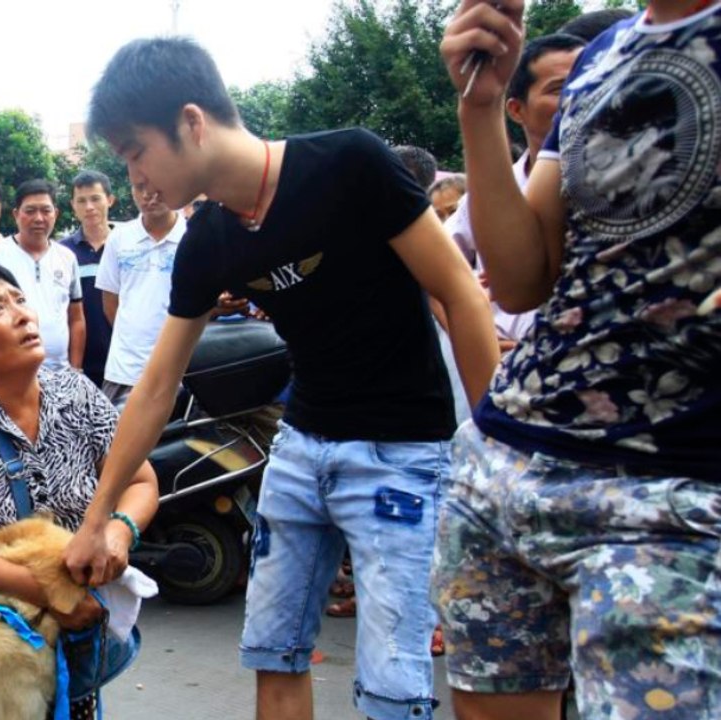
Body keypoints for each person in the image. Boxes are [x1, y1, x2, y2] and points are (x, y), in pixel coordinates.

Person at [68, 37, 498, 720]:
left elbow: (458, 294)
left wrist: (492, 453)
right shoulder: (207, 239)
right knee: (273, 654)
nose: (133, 176)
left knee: (394, 686)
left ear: (190, 121)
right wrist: (95, 522)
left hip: (403, 456)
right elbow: (154, 387)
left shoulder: (349, 163)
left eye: (133, 150)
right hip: (298, 451)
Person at [436, 2, 720, 719]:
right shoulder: (601, 57)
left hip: (671, 492)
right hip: (504, 462)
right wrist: (482, 106)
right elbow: (525, 277)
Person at [0, 258, 160, 720]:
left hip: (63, 621)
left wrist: (119, 532)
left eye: (20, 299)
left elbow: (140, 481)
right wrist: (52, 595)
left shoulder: (75, 392)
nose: (24, 314)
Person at [445, 33, 586, 354]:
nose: (577, 97)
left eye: (588, 81)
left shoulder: (622, 185)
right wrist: (475, 334)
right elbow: (438, 280)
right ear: (516, 109)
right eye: (558, 88)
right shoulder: (483, 200)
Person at [97, 180, 186, 404]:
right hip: (125, 369)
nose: (148, 195)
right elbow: (110, 301)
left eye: (156, 187)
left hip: (183, 369)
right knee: (117, 436)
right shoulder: (119, 238)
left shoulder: (193, 236)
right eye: (140, 188)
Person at [0, 180, 86, 372]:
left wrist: (76, 368)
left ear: (55, 214)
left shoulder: (67, 257)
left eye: (46, 211)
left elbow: (76, 317)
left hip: (61, 374)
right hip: (11, 373)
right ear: (16, 214)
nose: (39, 218)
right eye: (30, 211)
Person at [60, 170, 118, 386]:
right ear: (73, 206)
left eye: (95, 198)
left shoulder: (126, 247)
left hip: (121, 359)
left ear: (110, 200)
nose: (89, 207)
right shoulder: (61, 252)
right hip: (77, 363)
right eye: (81, 201)